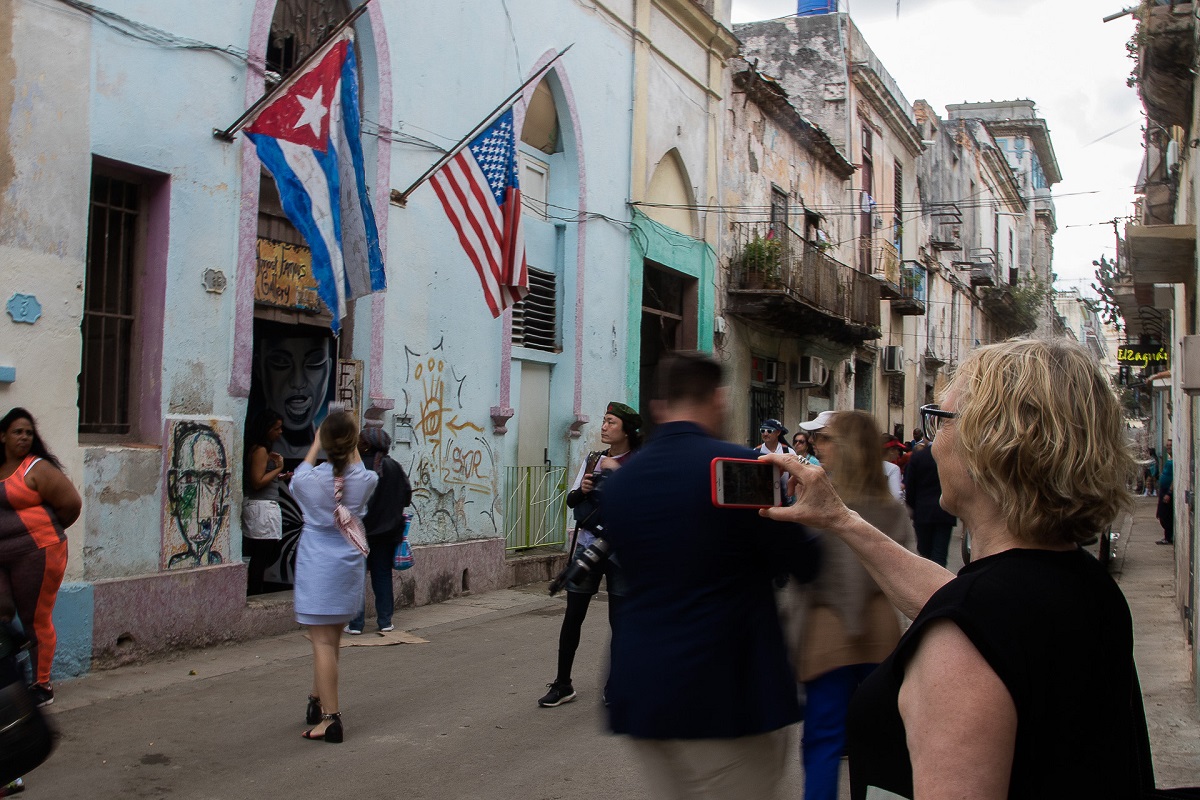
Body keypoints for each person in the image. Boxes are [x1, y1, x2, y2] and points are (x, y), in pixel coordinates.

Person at [761, 337, 1142, 798]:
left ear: (992, 444)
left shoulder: (958, 652)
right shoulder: (1081, 583)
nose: (930, 440)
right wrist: (841, 520)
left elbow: (969, 624)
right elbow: (966, 607)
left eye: (940, 421)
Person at [600, 353, 821, 798]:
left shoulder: (623, 480)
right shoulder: (739, 468)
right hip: (727, 692)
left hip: (645, 688)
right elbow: (800, 562)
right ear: (718, 399)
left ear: (660, 406)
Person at [794, 411, 911, 800]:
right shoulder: (892, 508)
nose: (817, 445)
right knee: (884, 741)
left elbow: (801, 572)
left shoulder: (815, 502)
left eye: (825, 439)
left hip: (828, 636)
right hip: (881, 637)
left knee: (823, 741)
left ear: (845, 448)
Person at [538, 401, 642, 708]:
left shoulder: (639, 462)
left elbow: (645, 504)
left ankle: (616, 685)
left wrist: (620, 472)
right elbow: (571, 501)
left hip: (621, 550)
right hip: (587, 542)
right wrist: (582, 489)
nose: (604, 427)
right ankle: (562, 684)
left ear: (626, 431)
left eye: (611, 422)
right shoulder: (593, 458)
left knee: (619, 621)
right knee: (573, 616)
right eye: (604, 421)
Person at [290, 411, 378, 743]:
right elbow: (360, 471)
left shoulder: (307, 481)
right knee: (333, 641)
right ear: (353, 443)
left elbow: (300, 472)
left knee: (321, 642)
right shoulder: (364, 481)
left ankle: (330, 719)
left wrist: (317, 443)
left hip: (317, 565)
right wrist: (349, 440)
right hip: (347, 567)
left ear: (325, 443)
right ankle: (317, 700)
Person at [0, 408, 81, 708]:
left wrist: (43, 530)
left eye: (29, 432)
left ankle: (41, 685)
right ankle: (8, 678)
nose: (23, 437)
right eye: (17, 431)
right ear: (3, 435)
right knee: (2, 612)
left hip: (38, 552)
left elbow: (71, 505)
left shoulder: (36, 468)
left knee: (36, 619)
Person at [346, 426, 411, 635]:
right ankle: (385, 621)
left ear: (365, 444)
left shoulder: (357, 467)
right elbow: (407, 497)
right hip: (387, 533)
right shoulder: (394, 467)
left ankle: (356, 623)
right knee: (382, 575)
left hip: (359, 531)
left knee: (357, 577)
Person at [255, 332, 335, 460]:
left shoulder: (331, 448)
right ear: (259, 368)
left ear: (329, 369)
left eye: (314, 363)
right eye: (281, 363)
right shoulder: (260, 450)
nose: (298, 382)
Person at [242, 410, 287, 595]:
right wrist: (279, 469)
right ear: (266, 429)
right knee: (262, 553)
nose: (280, 432)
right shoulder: (260, 450)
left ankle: (255, 589)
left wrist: (279, 475)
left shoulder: (261, 450)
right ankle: (255, 591)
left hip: (263, 505)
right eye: (276, 428)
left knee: (264, 551)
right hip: (261, 507)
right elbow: (257, 481)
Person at [904, 440, 957, 567]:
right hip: (945, 511)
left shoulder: (918, 457)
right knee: (940, 554)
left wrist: (911, 506)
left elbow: (910, 485)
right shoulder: (951, 457)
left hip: (923, 511)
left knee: (924, 553)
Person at [758, 419, 794, 504]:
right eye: (762, 431)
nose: (765, 434)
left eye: (769, 431)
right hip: (763, 500)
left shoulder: (788, 452)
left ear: (778, 433)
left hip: (786, 500)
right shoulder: (756, 451)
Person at [1156, 440, 1174, 545]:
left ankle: (1168, 538)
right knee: (1161, 514)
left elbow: (1174, 478)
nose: (1168, 447)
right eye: (1167, 445)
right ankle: (1166, 536)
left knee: (1165, 515)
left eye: (1170, 445)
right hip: (1163, 491)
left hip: (1167, 492)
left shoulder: (1174, 460)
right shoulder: (1169, 458)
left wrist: (1169, 493)